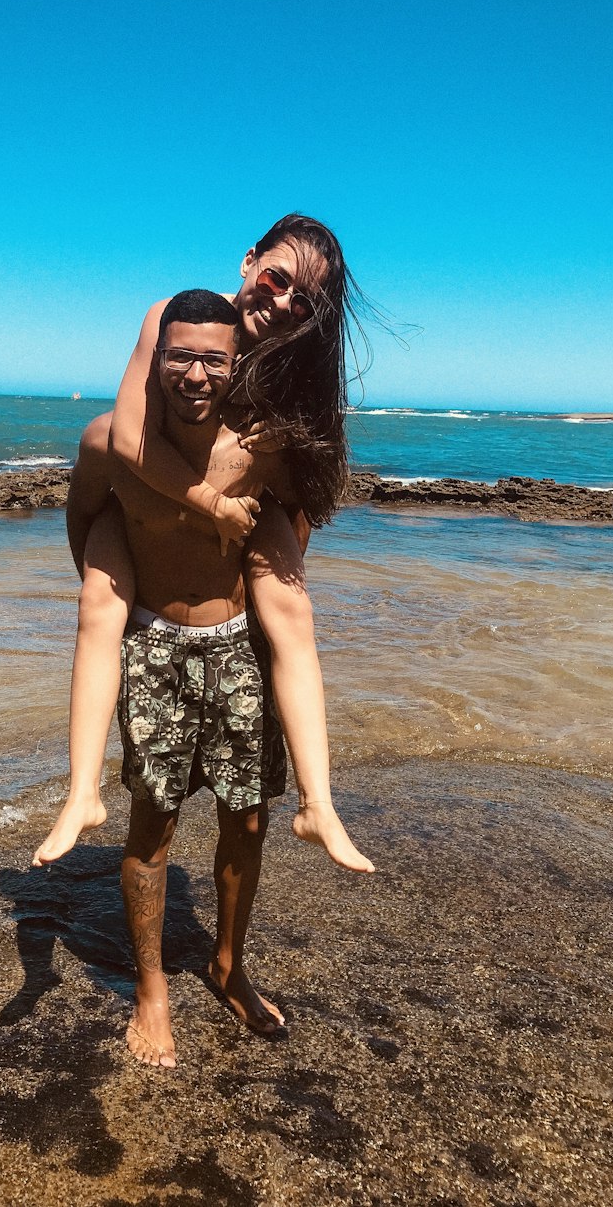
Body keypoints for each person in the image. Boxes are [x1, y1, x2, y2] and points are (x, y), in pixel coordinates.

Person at [67, 289, 372, 1068]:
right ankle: (151, 989)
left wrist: (271, 572)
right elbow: (82, 515)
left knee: (247, 819)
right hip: (156, 649)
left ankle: (228, 964)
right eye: (180, 356)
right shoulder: (108, 441)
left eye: (213, 360)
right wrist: (115, 584)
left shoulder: (256, 447)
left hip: (236, 648)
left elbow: (297, 520)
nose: (195, 374)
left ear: (234, 368)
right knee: (152, 824)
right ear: (153, 359)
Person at [33, 215, 371, 871]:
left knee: (295, 615)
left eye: (302, 301)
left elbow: (297, 496)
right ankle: (81, 794)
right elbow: (127, 435)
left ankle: (317, 803)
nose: (281, 303)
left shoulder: (285, 368)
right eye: (276, 279)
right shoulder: (173, 319)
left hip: (245, 515)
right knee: (98, 608)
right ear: (249, 261)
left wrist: (264, 564)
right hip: (138, 497)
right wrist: (207, 505)